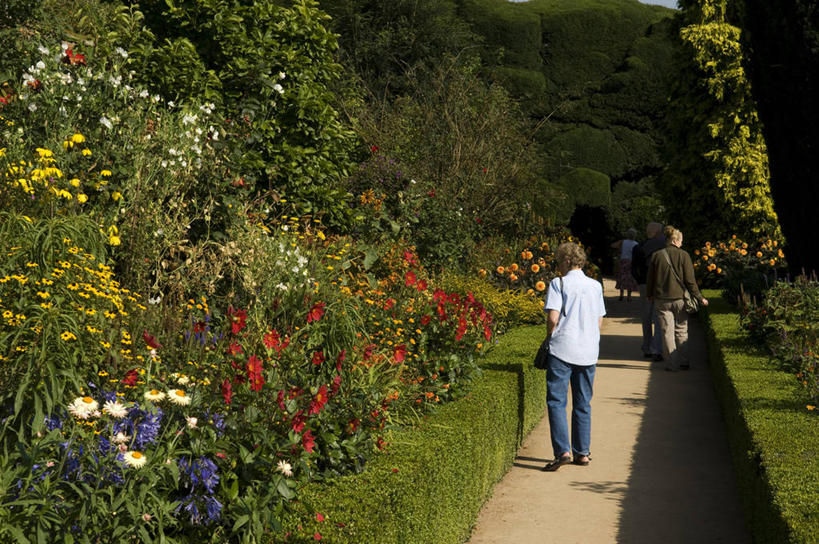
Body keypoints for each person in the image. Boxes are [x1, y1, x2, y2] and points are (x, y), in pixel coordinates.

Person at [542, 242, 606, 471]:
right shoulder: (595, 286)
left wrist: (550, 335)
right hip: (588, 351)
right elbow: (599, 320)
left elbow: (552, 317)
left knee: (557, 401)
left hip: (562, 349)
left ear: (566, 261)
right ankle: (583, 453)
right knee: (583, 402)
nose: (558, 266)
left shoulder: (558, 283)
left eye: (559, 261)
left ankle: (563, 451)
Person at [646, 226, 709, 372]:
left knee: (667, 332)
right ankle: (684, 361)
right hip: (680, 299)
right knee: (681, 330)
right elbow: (690, 281)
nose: (682, 243)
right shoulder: (684, 255)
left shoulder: (657, 255)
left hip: (662, 300)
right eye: (681, 241)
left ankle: (671, 364)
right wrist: (700, 298)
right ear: (675, 240)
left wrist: (649, 294)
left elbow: (650, 279)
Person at [632, 222, 665, 361]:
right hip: (659, 285)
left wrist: (640, 281)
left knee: (646, 317)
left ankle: (647, 347)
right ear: (658, 232)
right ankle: (656, 349)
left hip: (645, 285)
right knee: (658, 317)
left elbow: (633, 268)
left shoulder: (638, 247)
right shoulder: (663, 246)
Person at [611, 228, 640, 301]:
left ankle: (621, 294)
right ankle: (629, 296)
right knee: (629, 278)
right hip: (631, 261)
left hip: (623, 260)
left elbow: (613, 245)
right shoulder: (636, 244)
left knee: (622, 277)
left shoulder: (623, 242)